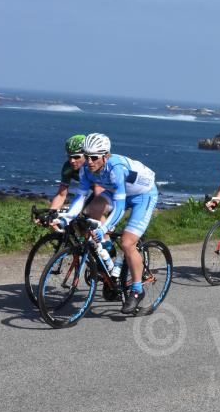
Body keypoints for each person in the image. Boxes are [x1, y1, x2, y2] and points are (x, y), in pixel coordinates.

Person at [56, 133, 158, 314]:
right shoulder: (86, 169)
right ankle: (108, 253)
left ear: (105, 156)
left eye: (94, 158)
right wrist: (65, 218)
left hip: (143, 195)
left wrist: (103, 229)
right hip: (117, 192)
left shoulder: (115, 168)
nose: (89, 161)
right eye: (86, 157)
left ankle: (136, 290)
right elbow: (79, 198)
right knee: (90, 211)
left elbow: (119, 207)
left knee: (127, 242)